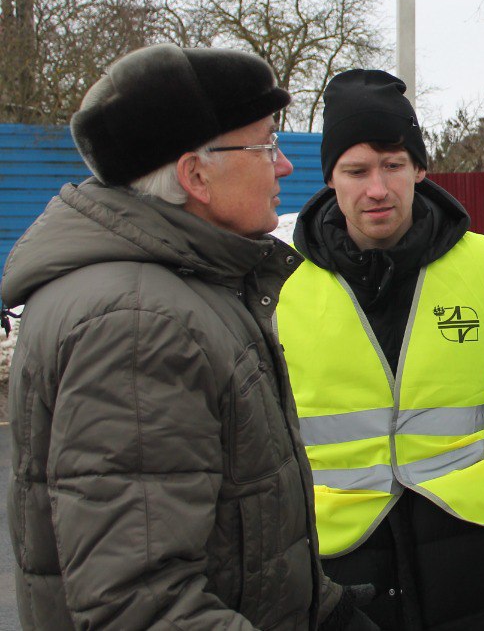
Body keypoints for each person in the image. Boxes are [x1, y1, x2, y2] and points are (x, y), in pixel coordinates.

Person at [2, 44, 376, 629]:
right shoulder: (139, 325)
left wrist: (324, 611)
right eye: (265, 144)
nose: (283, 166)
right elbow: (138, 605)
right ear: (195, 174)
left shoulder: (183, 290)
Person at [275, 69, 484, 630]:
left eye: (393, 165)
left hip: (475, 579)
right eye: (356, 170)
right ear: (330, 180)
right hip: (340, 583)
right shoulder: (285, 285)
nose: (378, 188)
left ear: (419, 169)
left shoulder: (481, 267)